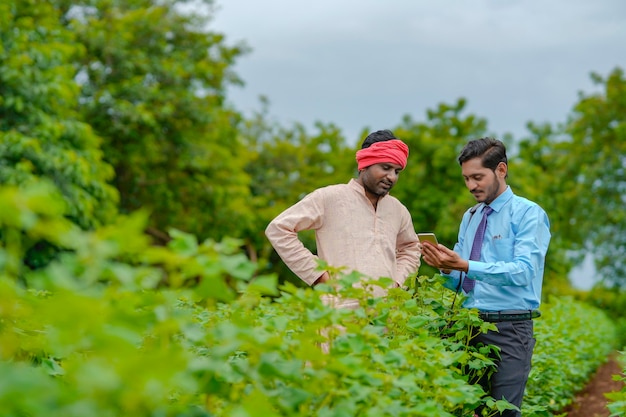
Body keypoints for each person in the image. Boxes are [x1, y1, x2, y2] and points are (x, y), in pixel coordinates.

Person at [420, 137, 551, 417]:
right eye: (466, 178)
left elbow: (524, 271)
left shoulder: (528, 214)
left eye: (478, 177)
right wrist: (445, 268)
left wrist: (467, 265)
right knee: (465, 410)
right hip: (469, 327)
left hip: (510, 328)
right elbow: (462, 281)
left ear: (501, 170)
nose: (471, 186)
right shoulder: (470, 216)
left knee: (501, 413)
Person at [265, 129, 421, 308]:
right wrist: (318, 275)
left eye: (397, 171)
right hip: (338, 316)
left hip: (385, 317)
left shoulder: (397, 210)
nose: (391, 177)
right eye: (385, 168)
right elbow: (278, 229)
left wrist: (397, 284)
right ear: (364, 165)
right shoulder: (329, 197)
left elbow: (411, 248)